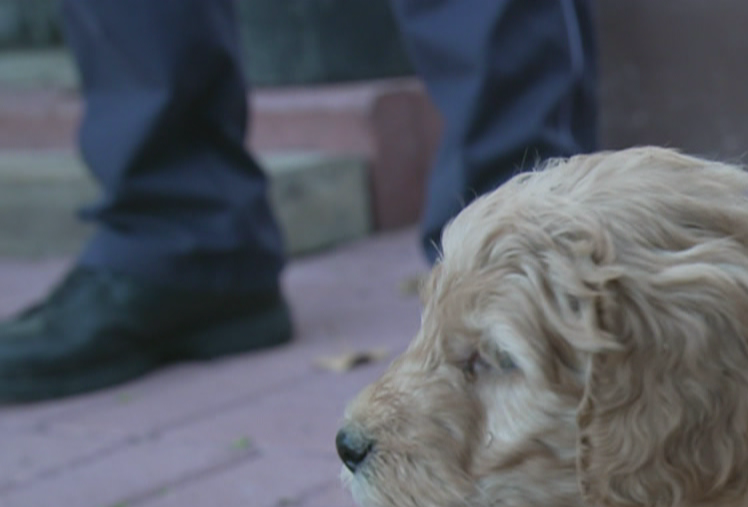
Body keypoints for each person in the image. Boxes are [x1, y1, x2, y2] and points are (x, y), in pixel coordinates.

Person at [0, 0, 597, 404]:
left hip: (533, 219)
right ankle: (181, 234)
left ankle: (520, 247)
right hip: (168, 218)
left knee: (520, 249)